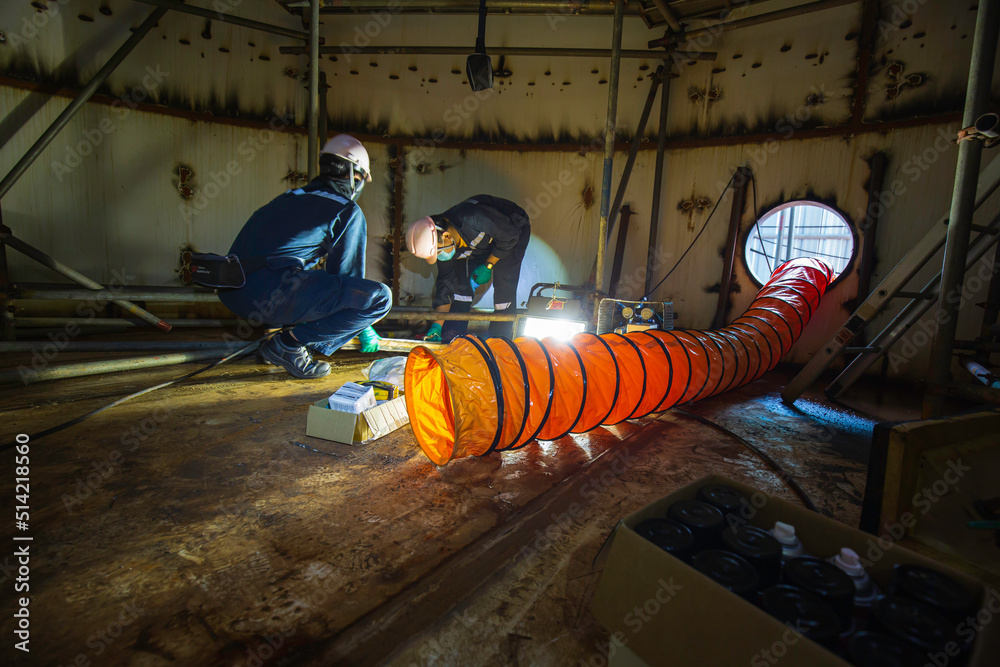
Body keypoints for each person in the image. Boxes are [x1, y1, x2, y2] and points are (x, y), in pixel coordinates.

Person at [219, 134, 390, 379]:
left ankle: (274, 346)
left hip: (233, 293)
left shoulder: (287, 198)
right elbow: (347, 282)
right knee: (379, 299)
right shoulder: (346, 210)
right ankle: (288, 345)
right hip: (269, 295)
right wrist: (362, 326)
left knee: (302, 274)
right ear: (354, 176)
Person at [405, 195, 530, 340]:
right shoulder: (444, 244)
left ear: (446, 236)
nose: (440, 257)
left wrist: (488, 265)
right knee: (460, 284)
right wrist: (437, 325)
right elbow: (445, 284)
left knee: (504, 281)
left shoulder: (473, 218)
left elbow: (510, 236)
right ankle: (453, 337)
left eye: (438, 252)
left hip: (513, 230)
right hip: (483, 242)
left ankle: (499, 341)